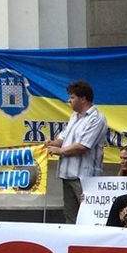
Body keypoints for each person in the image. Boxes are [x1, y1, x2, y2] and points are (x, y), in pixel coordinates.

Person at [45, 80, 107, 224]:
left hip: (84, 177)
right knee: (70, 215)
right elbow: (63, 138)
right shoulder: (74, 116)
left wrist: (59, 151)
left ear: (83, 98)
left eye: (72, 97)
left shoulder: (97, 118)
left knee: (88, 214)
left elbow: (83, 146)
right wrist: (51, 143)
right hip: (67, 174)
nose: (69, 100)